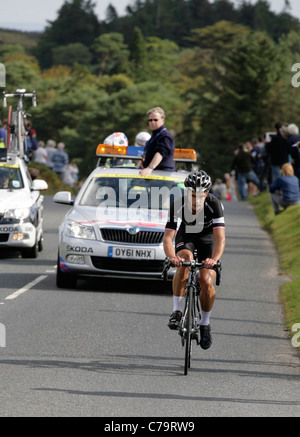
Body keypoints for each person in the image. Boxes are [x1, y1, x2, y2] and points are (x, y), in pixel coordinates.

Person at [163, 170, 225, 350]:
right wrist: (172, 257)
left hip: (207, 239)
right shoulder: (177, 204)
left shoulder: (214, 204)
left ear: (206, 193)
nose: (195, 199)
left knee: (206, 280)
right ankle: (177, 310)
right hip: (187, 237)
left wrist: (213, 260)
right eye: (192, 194)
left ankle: (205, 324)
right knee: (184, 260)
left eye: (200, 195)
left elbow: (220, 238)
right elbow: (168, 238)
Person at [139, 107, 175, 175]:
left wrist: (150, 168)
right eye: (150, 120)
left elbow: (160, 153)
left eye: (155, 120)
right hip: (153, 174)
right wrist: (142, 162)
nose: (153, 122)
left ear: (162, 120)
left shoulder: (165, 136)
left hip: (163, 175)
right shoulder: (155, 135)